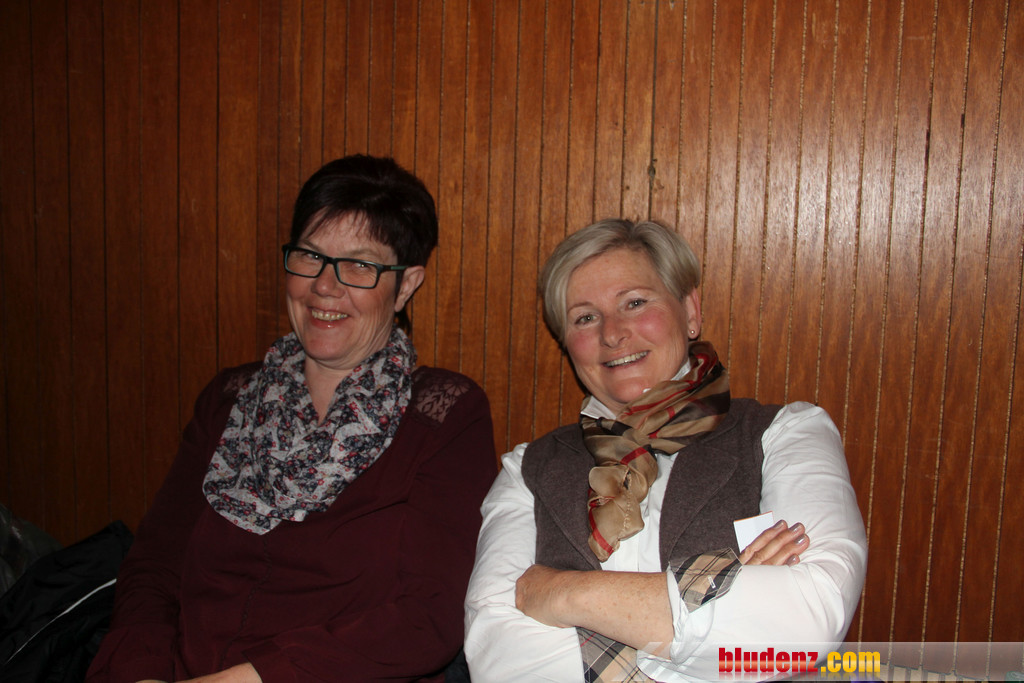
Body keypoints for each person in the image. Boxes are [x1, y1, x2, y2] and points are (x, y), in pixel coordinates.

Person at [87, 155, 497, 683]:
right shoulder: (227, 399)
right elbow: (154, 566)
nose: (325, 286)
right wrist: (142, 672)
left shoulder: (443, 414)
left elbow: (428, 618)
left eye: (359, 266)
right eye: (310, 256)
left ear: (406, 285)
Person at [463, 219, 867, 682]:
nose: (612, 333)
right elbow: (500, 659)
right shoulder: (527, 469)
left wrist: (561, 594)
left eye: (635, 303)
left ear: (690, 311)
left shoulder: (787, 432)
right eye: (585, 317)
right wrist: (717, 588)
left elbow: (805, 625)